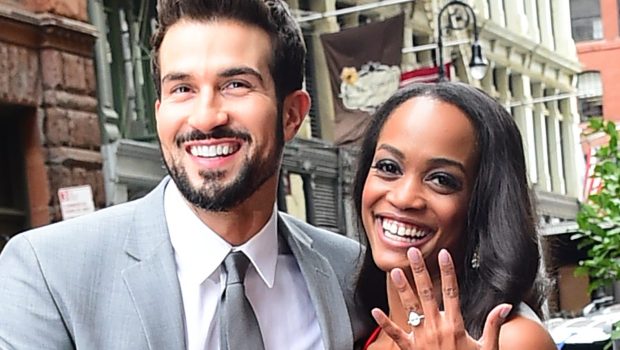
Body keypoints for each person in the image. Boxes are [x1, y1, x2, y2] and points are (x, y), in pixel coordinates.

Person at [0, 1, 372, 349]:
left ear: (291, 114)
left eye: (235, 85)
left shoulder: (349, 273)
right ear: (159, 111)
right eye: (183, 89)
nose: (206, 117)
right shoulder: (48, 272)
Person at [352, 82, 557, 349]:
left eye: (441, 179)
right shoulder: (361, 330)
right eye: (388, 167)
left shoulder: (512, 338)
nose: (403, 198)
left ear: (483, 207)